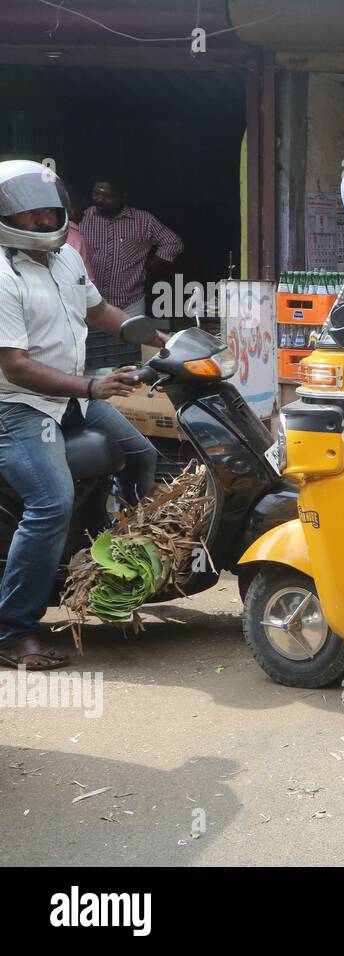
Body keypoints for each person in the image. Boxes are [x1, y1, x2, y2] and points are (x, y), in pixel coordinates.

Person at [0, 160, 166, 670]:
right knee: (51, 503)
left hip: (72, 396)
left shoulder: (66, 259)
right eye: (32, 216)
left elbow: (99, 312)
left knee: (142, 455)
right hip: (17, 407)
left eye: (52, 212)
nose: (45, 221)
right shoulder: (3, 276)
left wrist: (163, 338)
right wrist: (93, 385)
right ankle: (13, 631)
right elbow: (16, 366)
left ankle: (110, 563)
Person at [80, 174, 182, 317]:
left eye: (108, 196)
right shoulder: (83, 217)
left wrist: (148, 266)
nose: (100, 199)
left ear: (123, 197)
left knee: (130, 339)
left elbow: (173, 243)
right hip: (91, 305)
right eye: (96, 194)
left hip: (129, 305)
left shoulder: (143, 221)